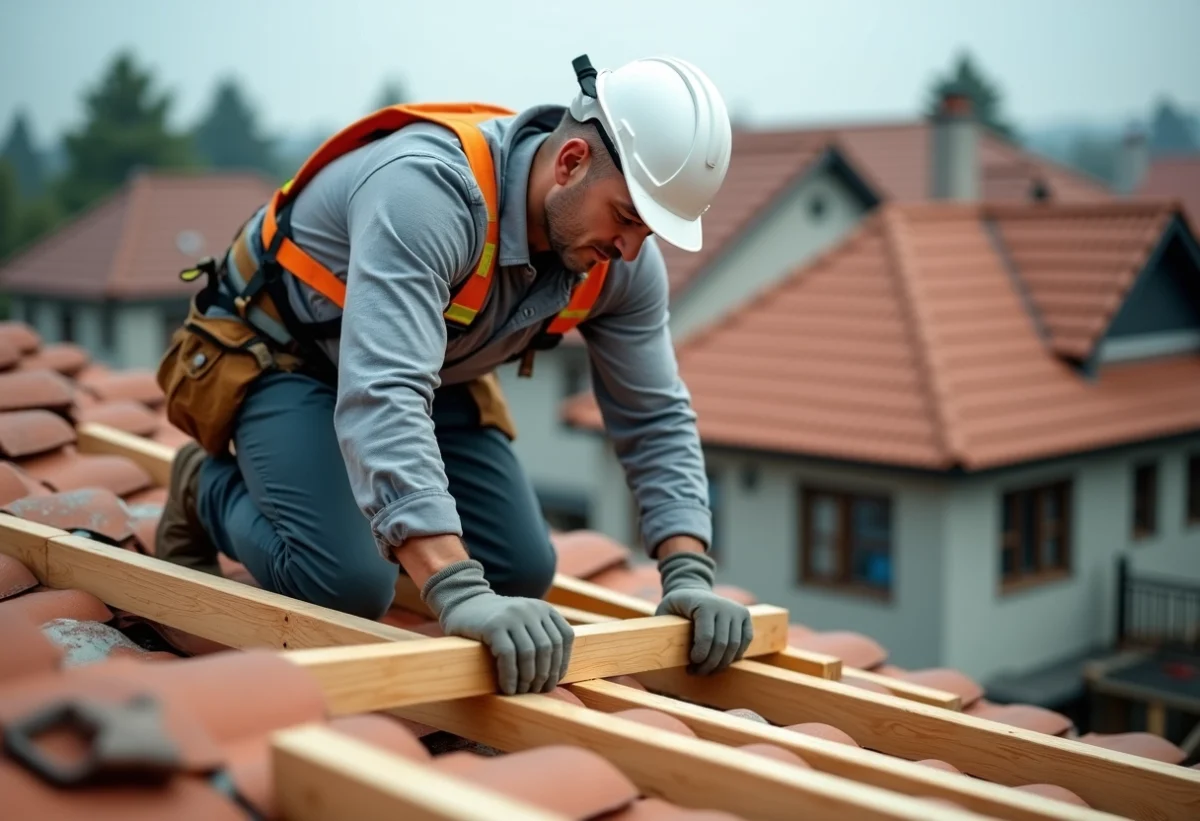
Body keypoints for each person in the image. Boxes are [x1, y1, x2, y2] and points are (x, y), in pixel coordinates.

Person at [154, 54, 752, 696]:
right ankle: (205, 488)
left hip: (433, 373)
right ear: (572, 162)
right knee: (346, 584)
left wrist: (688, 572)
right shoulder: (428, 193)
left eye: (649, 232)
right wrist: (456, 589)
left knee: (519, 573)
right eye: (628, 217)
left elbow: (653, 413)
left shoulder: (618, 261)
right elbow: (383, 390)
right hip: (289, 359)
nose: (630, 250)